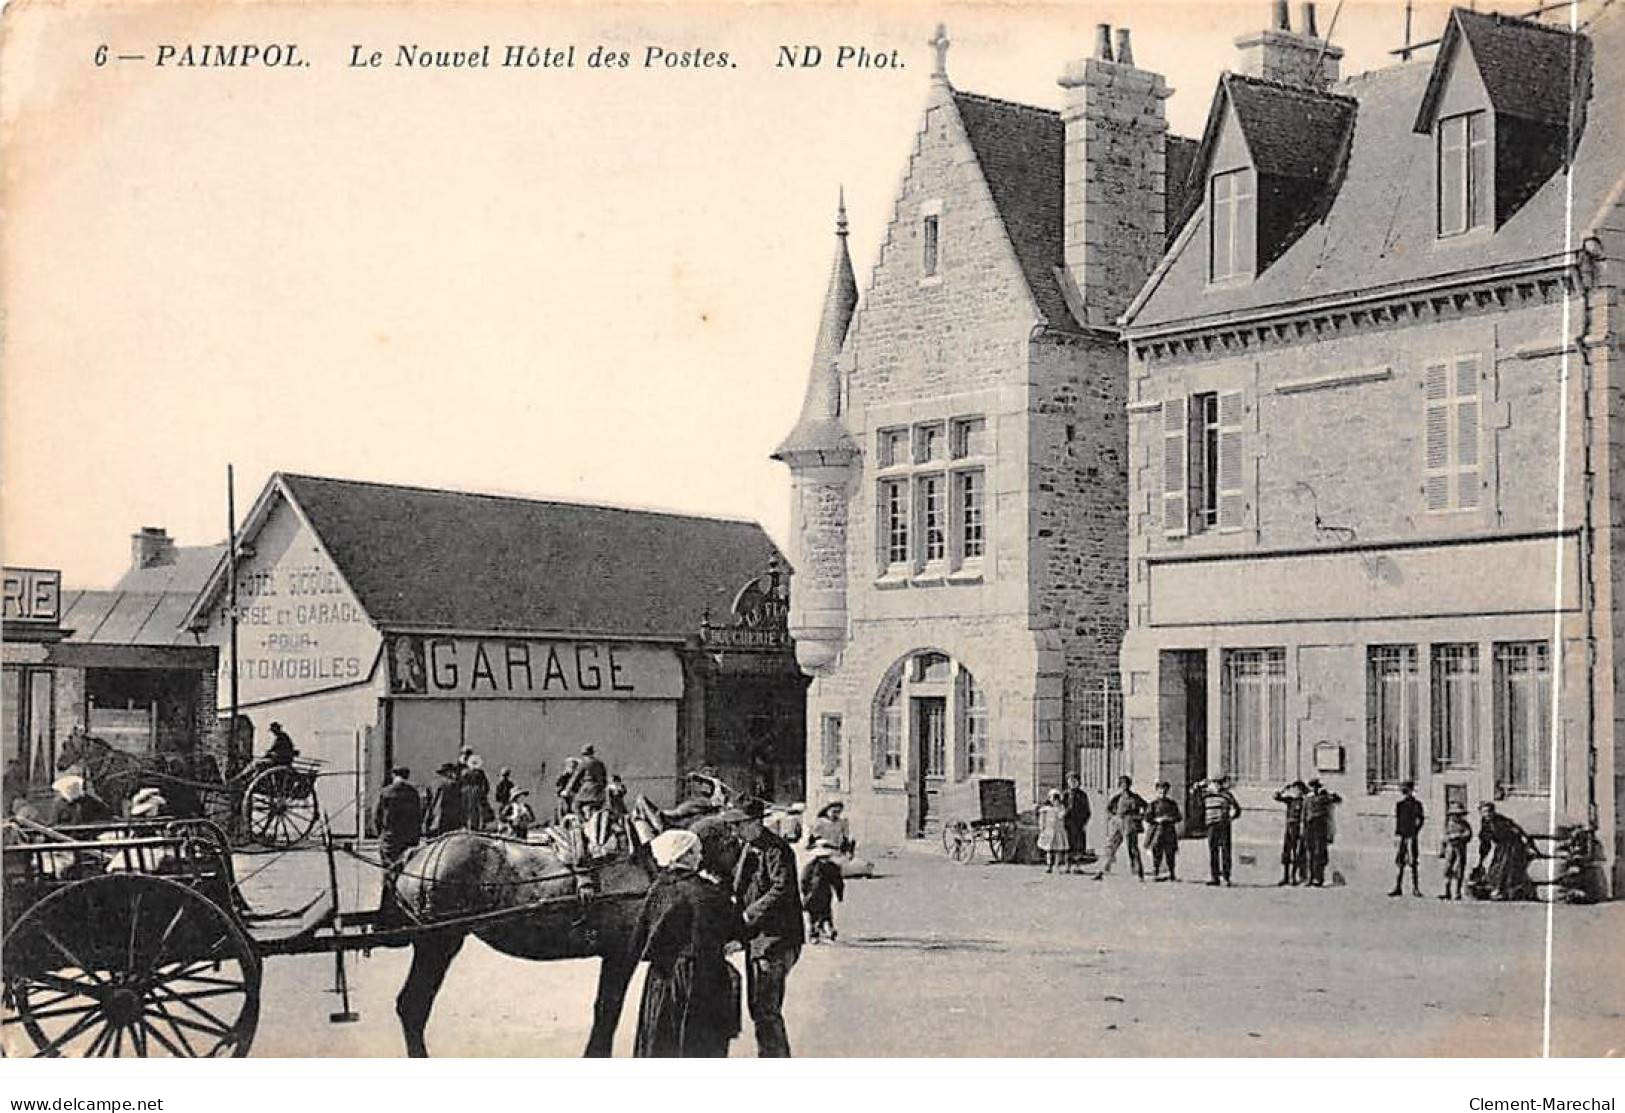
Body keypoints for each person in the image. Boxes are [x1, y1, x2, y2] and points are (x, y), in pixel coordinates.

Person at [626, 828, 744, 1058]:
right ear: (686, 856)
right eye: (697, 852)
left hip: (661, 980)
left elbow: (640, 939)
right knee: (697, 1042)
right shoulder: (706, 892)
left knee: (661, 1041)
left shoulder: (658, 890)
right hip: (700, 978)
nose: (700, 857)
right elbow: (733, 930)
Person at [724, 796, 803, 1057]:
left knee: (765, 1008)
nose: (734, 830)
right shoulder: (749, 846)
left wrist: (748, 915)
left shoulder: (776, 850)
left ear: (756, 822)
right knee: (758, 1007)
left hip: (775, 939)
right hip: (757, 939)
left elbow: (781, 889)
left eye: (739, 824)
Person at [1475, 802, 1535, 901]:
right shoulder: (1485, 823)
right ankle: (1496, 889)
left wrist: (1528, 845)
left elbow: (1518, 831)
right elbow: (1485, 842)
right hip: (1501, 847)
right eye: (1484, 812)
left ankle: (1501, 891)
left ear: (1493, 811)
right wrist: (1481, 860)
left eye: (1489, 811)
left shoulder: (1502, 821)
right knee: (1495, 867)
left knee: (1505, 867)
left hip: (1512, 845)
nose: (1487, 814)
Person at [1094, 775, 1146, 881]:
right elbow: (1108, 809)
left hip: (1130, 824)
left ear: (1129, 785)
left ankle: (1138, 872)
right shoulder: (1117, 798)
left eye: (1126, 784)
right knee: (1111, 846)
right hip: (1118, 823)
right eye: (1122, 784)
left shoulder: (1135, 797)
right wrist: (1113, 817)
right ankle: (1103, 870)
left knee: (1133, 848)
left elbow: (1146, 807)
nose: (1124, 786)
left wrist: (1139, 817)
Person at [374, 767, 424, 865]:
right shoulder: (413, 792)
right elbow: (418, 816)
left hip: (390, 839)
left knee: (389, 869)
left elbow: (377, 817)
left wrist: (381, 834)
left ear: (394, 775)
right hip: (408, 839)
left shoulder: (386, 792)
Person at [1199, 774, 1242, 886]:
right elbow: (1194, 794)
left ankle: (1226, 876)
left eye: (1219, 783)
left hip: (1223, 825)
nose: (1217, 785)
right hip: (1211, 825)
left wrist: (1230, 818)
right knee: (1213, 850)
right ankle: (1215, 877)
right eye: (1215, 783)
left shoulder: (1227, 796)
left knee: (1225, 850)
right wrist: (1201, 785)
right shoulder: (1207, 795)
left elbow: (1237, 809)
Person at [800, 839, 845, 942]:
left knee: (818, 914)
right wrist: (839, 894)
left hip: (815, 894)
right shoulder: (831, 867)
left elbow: (804, 880)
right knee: (823, 913)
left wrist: (804, 891)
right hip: (820, 895)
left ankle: (818, 932)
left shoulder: (811, 866)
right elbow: (838, 882)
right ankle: (822, 930)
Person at [1302, 779, 1342, 887]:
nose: (1314, 789)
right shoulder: (1307, 799)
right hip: (1310, 827)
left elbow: (1337, 799)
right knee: (1310, 853)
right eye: (1312, 787)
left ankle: (1319, 878)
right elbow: (1304, 815)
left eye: (1316, 787)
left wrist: (1327, 793)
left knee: (1319, 853)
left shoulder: (1324, 798)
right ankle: (1310, 877)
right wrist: (1303, 830)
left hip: (1320, 827)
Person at [1389, 780, 1426, 898]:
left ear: (1411, 790)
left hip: (1412, 836)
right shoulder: (1399, 805)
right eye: (1404, 791)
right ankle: (1398, 887)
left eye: (1407, 790)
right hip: (1402, 837)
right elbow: (1398, 822)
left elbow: (1420, 820)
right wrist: (1397, 836)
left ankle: (1415, 888)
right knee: (1400, 862)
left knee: (1413, 862)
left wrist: (1415, 832)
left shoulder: (1417, 805)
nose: (1405, 793)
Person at [1272, 780, 1309, 886]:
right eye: (1295, 789)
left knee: (1296, 853)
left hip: (1297, 828)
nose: (1296, 791)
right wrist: (1285, 788)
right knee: (1286, 853)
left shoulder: (1304, 802)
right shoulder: (1290, 800)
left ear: (1302, 790)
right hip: (1289, 827)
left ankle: (1294, 877)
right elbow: (1276, 796)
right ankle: (1285, 877)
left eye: (1298, 789)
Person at [1144, 781, 1182, 882]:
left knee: (1170, 853)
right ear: (1157, 791)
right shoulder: (1153, 804)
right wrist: (1156, 820)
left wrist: (1169, 818)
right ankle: (1156, 872)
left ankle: (1172, 873)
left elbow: (1178, 817)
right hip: (1156, 830)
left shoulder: (1172, 804)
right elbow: (1147, 817)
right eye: (1160, 791)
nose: (1163, 794)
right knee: (1157, 852)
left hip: (1169, 831)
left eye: (1165, 791)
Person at [47, 775, 113, 827]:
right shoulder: (59, 804)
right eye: (70, 788)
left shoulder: (91, 801)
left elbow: (106, 815)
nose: (73, 790)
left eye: (76, 787)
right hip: (67, 836)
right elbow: (53, 822)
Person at [1439, 800, 1473, 900]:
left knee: (1459, 869)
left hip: (1460, 848)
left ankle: (1457, 892)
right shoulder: (1448, 824)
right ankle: (1447, 890)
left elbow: (1468, 834)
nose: (1456, 817)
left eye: (1458, 815)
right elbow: (1444, 836)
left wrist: (1459, 836)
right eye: (1454, 815)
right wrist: (1443, 848)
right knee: (1447, 869)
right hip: (1450, 848)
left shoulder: (1464, 824)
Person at [563, 744, 608, 818]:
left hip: (588, 790)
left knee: (575, 806)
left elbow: (575, 778)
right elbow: (604, 778)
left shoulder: (584, 763)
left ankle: (583, 823)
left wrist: (567, 790)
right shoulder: (600, 763)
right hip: (600, 792)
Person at [425, 762, 467, 836]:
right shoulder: (454, 785)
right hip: (450, 821)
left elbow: (428, 804)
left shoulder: (433, 784)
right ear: (449, 772)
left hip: (435, 821)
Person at [1060, 773, 1091, 869]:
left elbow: (1087, 810)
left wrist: (1085, 822)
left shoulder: (1082, 795)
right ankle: (1067, 866)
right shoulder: (1065, 794)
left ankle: (1077, 866)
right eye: (1070, 781)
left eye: (1075, 781)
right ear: (1067, 782)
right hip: (1068, 823)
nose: (1073, 783)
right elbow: (1060, 807)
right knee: (1068, 844)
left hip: (1078, 823)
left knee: (1078, 845)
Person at [1037, 789, 1070, 874]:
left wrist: (1062, 810)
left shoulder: (1061, 808)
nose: (1055, 801)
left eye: (1057, 800)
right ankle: (1049, 865)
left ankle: (1057, 865)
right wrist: (1042, 828)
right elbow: (1042, 820)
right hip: (1048, 831)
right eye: (1053, 799)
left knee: (1058, 849)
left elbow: (1061, 816)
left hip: (1058, 831)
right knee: (1049, 850)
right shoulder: (1045, 809)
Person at [460, 754, 493, 832]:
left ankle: (469, 825)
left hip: (467, 792)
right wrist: (484, 793)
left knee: (469, 809)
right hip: (476, 792)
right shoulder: (480, 773)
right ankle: (476, 825)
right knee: (476, 809)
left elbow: (461, 782)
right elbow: (486, 785)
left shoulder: (465, 772)